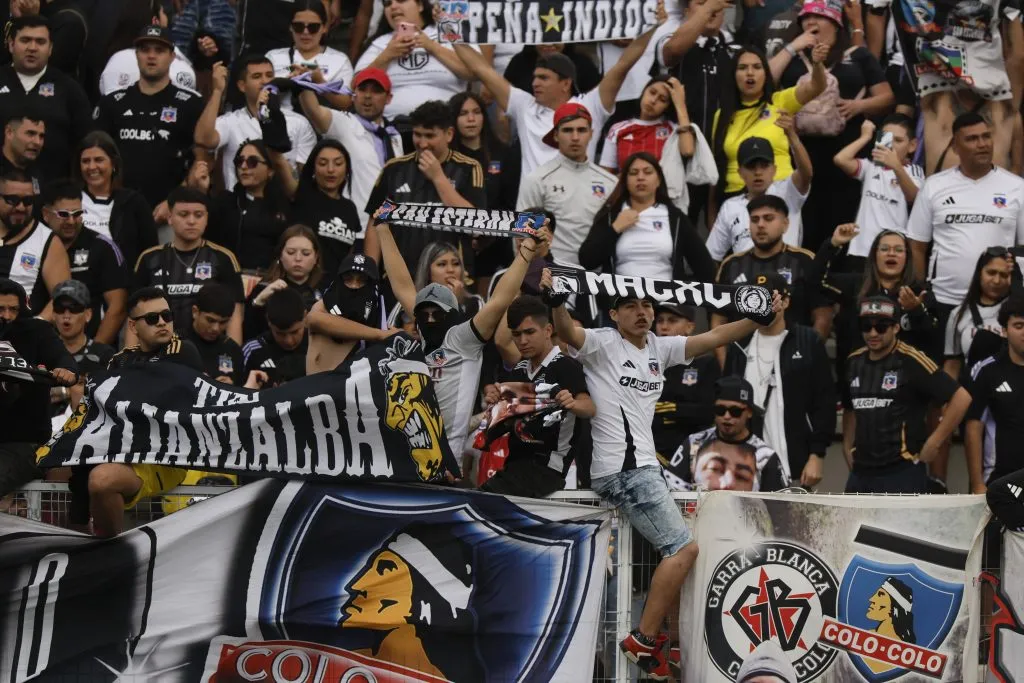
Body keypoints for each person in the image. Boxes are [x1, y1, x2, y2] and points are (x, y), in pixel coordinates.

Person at [546, 269, 781, 677]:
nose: (642, 312)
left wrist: (757, 318)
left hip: (641, 470)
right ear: (614, 314)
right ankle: (645, 638)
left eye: (647, 305)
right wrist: (554, 298)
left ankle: (651, 639)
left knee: (669, 556)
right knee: (683, 550)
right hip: (623, 470)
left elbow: (713, 338)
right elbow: (566, 328)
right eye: (631, 306)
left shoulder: (659, 346)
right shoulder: (602, 342)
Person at [373, 211, 551, 459]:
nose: (431, 318)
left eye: (438, 312)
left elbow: (500, 299)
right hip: (403, 455)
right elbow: (401, 284)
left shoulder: (463, 339)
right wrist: (382, 228)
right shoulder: (421, 335)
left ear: (453, 312)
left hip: (444, 461)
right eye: (425, 313)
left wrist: (528, 248)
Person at [453, 22, 660, 183]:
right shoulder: (523, 104)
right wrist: (449, 29)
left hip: (575, 208)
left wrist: (653, 26)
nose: (534, 83)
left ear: (565, 83)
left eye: (543, 78)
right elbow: (481, 69)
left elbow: (624, 64)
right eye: (534, 77)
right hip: (533, 212)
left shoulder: (591, 105)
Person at [770, 0, 895, 247]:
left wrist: (859, 106)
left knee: (842, 221)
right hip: (801, 153)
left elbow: (887, 97)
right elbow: (766, 82)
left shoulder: (858, 56)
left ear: (836, 23)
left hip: (845, 154)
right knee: (804, 223)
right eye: (805, 18)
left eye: (819, 17)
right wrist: (793, 46)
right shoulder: (793, 58)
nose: (810, 22)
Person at [85, 286, 204, 537]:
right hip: (122, 450)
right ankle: (69, 546)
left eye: (166, 316)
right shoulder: (119, 361)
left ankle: (110, 552)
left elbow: (151, 398)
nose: (162, 322)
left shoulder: (183, 350)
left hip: (166, 457)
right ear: (132, 326)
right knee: (58, 467)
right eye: (152, 318)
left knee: (102, 481)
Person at [812, 225, 936, 461]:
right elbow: (813, 281)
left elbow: (933, 337)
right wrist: (833, 244)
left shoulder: (920, 292)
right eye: (885, 249)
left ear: (907, 258)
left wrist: (916, 311)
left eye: (899, 250)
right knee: (856, 457)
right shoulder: (854, 285)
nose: (891, 254)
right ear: (874, 255)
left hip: (904, 393)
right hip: (858, 386)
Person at [865, 0, 1022, 173]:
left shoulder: (938, 103)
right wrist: (1012, 11)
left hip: (938, 192)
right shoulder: (1006, 109)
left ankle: (878, 177)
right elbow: (1018, 57)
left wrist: (880, 173)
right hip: (998, 196)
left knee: (895, 122)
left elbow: (896, 120)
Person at [907, 113, 1024, 340]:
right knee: (946, 371)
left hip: (998, 305)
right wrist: (922, 289)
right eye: (971, 139)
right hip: (944, 300)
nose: (982, 144)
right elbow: (917, 245)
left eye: (986, 137)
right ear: (954, 147)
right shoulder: (934, 186)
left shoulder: (1017, 188)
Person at [844, 295, 972, 493]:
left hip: (901, 471)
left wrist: (935, 441)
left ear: (896, 327)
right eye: (866, 326)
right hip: (860, 472)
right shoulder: (854, 361)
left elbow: (961, 398)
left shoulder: (912, 359)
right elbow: (850, 408)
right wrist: (847, 446)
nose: (872, 333)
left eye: (881, 327)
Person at [723, 272, 835, 488]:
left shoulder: (807, 341)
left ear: (785, 301)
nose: (763, 307)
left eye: (770, 299)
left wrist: (817, 455)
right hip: (745, 468)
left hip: (795, 463)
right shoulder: (738, 344)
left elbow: (825, 401)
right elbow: (726, 401)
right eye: (757, 299)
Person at [481, 295, 594, 498]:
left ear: (548, 330)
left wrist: (573, 403)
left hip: (548, 468)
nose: (522, 341)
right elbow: (503, 416)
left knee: (483, 501)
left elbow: (589, 407)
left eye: (529, 332)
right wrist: (495, 400)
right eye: (516, 334)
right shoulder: (519, 369)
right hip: (514, 465)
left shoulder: (566, 366)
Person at [92, 25, 205, 212]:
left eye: (159, 50)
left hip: (172, 211)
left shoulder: (192, 104)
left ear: (172, 57)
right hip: (117, 209)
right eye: (145, 50)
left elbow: (204, 159)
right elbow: (93, 155)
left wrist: (174, 201)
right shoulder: (112, 103)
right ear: (136, 55)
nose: (151, 56)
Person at [363, 100, 485, 268]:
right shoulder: (394, 169)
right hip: (400, 277)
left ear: (449, 134)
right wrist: (370, 273)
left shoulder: (469, 168)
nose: (422, 143)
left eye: (429, 135)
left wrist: (438, 178)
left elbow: (477, 226)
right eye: (417, 134)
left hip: (450, 279)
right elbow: (375, 223)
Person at [710, 43, 826, 212]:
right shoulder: (722, 116)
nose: (750, 73)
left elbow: (817, 86)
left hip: (779, 195)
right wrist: (712, 214)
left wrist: (817, 64)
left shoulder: (779, 102)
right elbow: (717, 167)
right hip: (734, 200)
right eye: (742, 68)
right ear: (733, 75)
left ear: (766, 73)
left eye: (757, 67)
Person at [714, 195, 831, 356]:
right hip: (742, 359)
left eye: (768, 218)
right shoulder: (731, 264)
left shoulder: (805, 261)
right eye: (754, 220)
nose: (760, 225)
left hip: (793, 357)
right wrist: (726, 369)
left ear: (785, 224)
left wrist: (807, 357)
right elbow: (718, 320)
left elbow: (822, 315)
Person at [580, 151, 715, 282]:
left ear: (658, 180)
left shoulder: (676, 218)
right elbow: (587, 260)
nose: (640, 177)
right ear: (625, 181)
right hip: (621, 301)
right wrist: (615, 229)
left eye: (648, 172)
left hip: (665, 302)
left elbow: (706, 269)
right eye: (633, 173)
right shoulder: (612, 216)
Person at [132, 187, 243, 343]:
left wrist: (234, 356)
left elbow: (234, 315)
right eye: (183, 214)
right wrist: (129, 358)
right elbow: (135, 314)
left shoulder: (223, 258)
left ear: (206, 218)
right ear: (170, 218)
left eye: (198, 215)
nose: (191, 221)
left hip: (209, 351)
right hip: (160, 350)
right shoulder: (149, 258)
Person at [298, 68, 403, 231]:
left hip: (393, 229)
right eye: (362, 89)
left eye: (376, 91)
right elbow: (314, 111)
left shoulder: (394, 135)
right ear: (353, 94)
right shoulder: (344, 123)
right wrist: (303, 82)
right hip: (357, 227)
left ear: (388, 98)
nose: (367, 96)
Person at [194, 56, 317, 193]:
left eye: (269, 75)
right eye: (257, 76)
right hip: (239, 206)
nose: (265, 81)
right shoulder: (231, 121)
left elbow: (305, 176)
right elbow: (203, 139)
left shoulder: (298, 122)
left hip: (283, 205)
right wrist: (217, 91)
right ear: (242, 86)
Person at [516, 103, 618, 266]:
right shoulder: (537, 179)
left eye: (582, 130)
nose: (575, 137)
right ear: (556, 135)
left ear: (592, 134)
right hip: (551, 276)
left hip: (596, 279)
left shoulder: (610, 183)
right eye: (568, 130)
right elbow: (521, 235)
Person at [0, 277, 76, 496]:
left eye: (13, 309)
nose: (6, 316)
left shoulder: (37, 331)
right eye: (1, 309)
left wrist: (65, 370)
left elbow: (62, 358)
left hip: (24, 444)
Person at [0, 16, 91, 183]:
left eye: (40, 42)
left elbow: (85, 145)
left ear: (50, 48)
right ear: (11, 44)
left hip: (52, 192)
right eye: (25, 40)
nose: (32, 48)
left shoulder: (69, 90)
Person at [355, 0, 479, 118]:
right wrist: (387, 55)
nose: (393, 6)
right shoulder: (379, 44)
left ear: (420, 5)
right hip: (392, 127)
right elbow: (355, 87)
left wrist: (432, 47)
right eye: (387, 3)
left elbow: (476, 72)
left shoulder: (448, 32)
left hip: (446, 125)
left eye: (401, 0)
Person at [665, 376, 789, 492]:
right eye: (720, 410)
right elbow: (670, 492)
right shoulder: (694, 443)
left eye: (735, 411)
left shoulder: (765, 457)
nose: (727, 416)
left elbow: (778, 510)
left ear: (749, 412)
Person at [705, 126, 812, 261]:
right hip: (745, 280)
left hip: (786, 276)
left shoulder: (788, 192)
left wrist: (793, 137)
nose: (758, 172)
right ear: (740, 173)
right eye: (751, 166)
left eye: (764, 165)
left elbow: (806, 173)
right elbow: (711, 255)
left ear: (774, 169)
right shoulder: (730, 207)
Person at [43, 180, 127, 346]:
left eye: (77, 214)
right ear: (46, 214)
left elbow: (118, 307)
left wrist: (95, 352)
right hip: (43, 347)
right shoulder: (35, 245)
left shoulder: (103, 247)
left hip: (91, 346)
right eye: (64, 215)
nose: (72, 221)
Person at [832, 114, 923, 266]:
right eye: (886, 138)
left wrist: (895, 166)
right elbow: (840, 159)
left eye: (898, 140)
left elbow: (914, 198)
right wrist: (865, 137)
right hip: (861, 249)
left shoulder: (914, 171)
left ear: (912, 145)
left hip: (891, 252)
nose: (891, 145)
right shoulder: (871, 167)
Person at [198, 140, 290, 272]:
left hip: (268, 280)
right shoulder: (226, 201)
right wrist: (202, 192)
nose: (244, 166)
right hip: (227, 279)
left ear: (270, 170)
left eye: (252, 162)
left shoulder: (283, 206)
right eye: (239, 161)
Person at [966, 294, 1024, 495]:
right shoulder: (988, 370)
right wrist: (977, 484)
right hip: (1000, 479)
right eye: (1019, 326)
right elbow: (974, 427)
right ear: (1005, 330)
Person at [73, 131, 156, 269]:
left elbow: (150, 252)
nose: (92, 167)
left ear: (114, 164)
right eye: (86, 161)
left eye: (99, 160)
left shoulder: (134, 202)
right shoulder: (70, 200)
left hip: (124, 282)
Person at [652, 303, 720, 467]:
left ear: (689, 327)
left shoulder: (705, 364)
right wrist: (683, 409)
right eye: (660, 321)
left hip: (694, 454)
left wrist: (670, 409)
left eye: (672, 320)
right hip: (652, 453)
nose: (664, 327)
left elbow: (707, 412)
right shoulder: (649, 364)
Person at [305, 252, 388, 377]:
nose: (354, 286)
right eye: (348, 279)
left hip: (346, 389)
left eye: (361, 281)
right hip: (312, 386)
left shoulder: (376, 314)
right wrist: (378, 335)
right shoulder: (326, 302)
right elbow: (313, 319)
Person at [288, 139, 362, 279]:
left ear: (347, 169)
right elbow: (280, 164)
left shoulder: (350, 208)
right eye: (323, 163)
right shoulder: (301, 196)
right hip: (303, 285)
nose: (330, 170)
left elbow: (350, 254)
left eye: (338, 163)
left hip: (336, 289)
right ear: (313, 168)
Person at [0, 169, 70, 316]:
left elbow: (62, 297)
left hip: (21, 332)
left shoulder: (48, 241)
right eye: (12, 200)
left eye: (27, 201)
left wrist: (37, 327)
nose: (20, 207)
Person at [266, 0, 353, 111]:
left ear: (324, 28)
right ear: (290, 27)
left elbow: (346, 103)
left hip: (322, 124)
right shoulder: (273, 57)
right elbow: (257, 93)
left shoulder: (340, 60)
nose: (305, 32)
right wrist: (285, 83)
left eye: (313, 27)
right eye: (298, 26)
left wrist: (320, 83)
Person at [98, 0, 197, 96]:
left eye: (159, 50)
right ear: (155, 21)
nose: (151, 56)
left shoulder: (114, 60)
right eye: (163, 12)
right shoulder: (180, 67)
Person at [600, 76, 696, 174]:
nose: (653, 101)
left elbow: (687, 151)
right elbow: (605, 175)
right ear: (644, 91)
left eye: (662, 100)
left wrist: (680, 104)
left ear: (668, 107)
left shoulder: (673, 129)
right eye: (652, 92)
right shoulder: (617, 129)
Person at [48, 280, 114, 420]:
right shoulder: (41, 353)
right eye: (60, 308)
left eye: (74, 308)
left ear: (88, 314)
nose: (66, 315)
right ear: (53, 315)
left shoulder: (105, 356)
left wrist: (64, 391)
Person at [945, 248, 1013, 381]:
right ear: (979, 273)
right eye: (991, 273)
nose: (997, 280)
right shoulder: (958, 314)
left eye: (1004, 275)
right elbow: (952, 364)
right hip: (974, 387)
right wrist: (946, 398)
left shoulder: (1018, 312)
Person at [246, 225, 324, 341]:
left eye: (306, 253)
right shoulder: (264, 288)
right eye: (291, 252)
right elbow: (248, 333)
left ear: (316, 257)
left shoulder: (328, 288)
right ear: (280, 255)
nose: (298, 258)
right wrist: (259, 302)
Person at [242, 287, 308, 386]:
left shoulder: (321, 346)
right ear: (268, 321)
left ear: (305, 316)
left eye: (295, 332)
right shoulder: (252, 350)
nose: (289, 341)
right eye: (280, 334)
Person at [186, 282, 245, 386]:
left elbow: (242, 392)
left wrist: (230, 388)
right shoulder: (175, 344)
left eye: (223, 322)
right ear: (195, 312)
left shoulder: (233, 349)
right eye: (210, 320)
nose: (216, 328)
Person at [0, 109, 44, 192]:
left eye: (41, 136)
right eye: (30, 133)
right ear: (9, 132)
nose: (37, 142)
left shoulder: (39, 175)